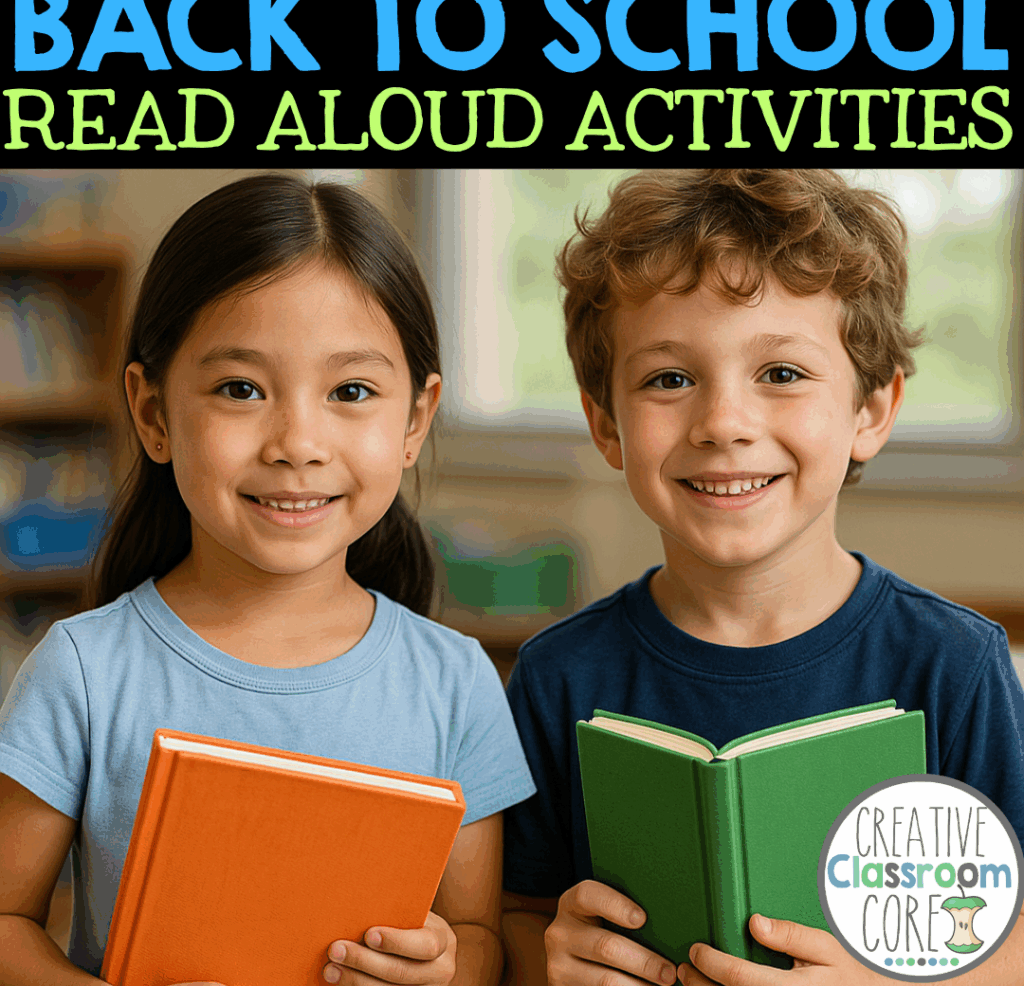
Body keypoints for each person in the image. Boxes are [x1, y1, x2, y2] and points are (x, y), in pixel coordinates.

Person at [0, 173, 535, 986]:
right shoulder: (83, 670)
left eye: (351, 391)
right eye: (240, 389)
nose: (298, 442)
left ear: (414, 421)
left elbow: (478, 937)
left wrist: (444, 970)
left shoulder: (456, 681)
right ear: (153, 414)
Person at [501, 169, 1024, 985]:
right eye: (669, 379)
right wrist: (551, 960)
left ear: (871, 411)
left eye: (781, 374)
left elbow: (1016, 942)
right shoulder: (557, 674)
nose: (724, 425)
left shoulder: (953, 664)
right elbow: (516, 921)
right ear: (605, 422)